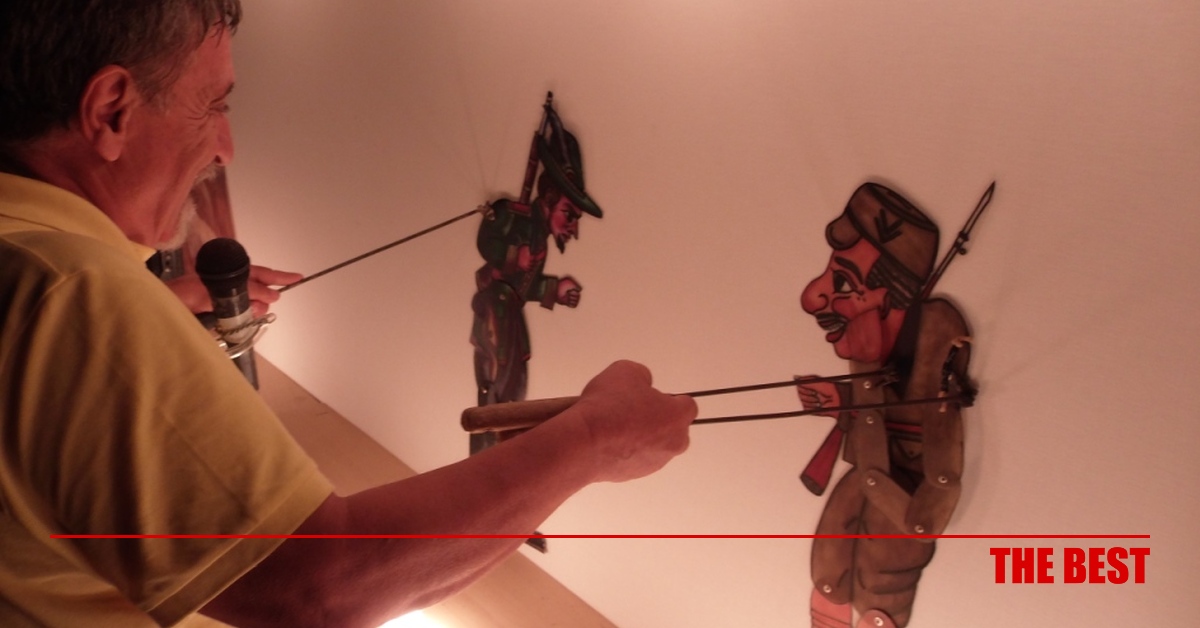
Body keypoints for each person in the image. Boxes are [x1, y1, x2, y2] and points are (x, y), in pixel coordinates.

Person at [0, 2, 696, 627]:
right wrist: (593, 442)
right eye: (212, 107)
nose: (225, 148)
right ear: (111, 111)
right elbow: (322, 590)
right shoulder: (74, 295)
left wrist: (157, 305)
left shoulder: (32, 263)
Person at [796, 183, 972, 628]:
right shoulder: (875, 350)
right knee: (829, 575)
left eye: (842, 283)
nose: (812, 298)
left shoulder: (938, 339)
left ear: (892, 299)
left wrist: (854, 396)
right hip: (868, 477)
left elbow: (929, 436)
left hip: (902, 499)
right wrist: (845, 401)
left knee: (881, 585)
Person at [469, 118, 602, 455]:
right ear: (550, 198)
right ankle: (485, 455)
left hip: (511, 317)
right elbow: (486, 241)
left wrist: (554, 290)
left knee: (514, 392)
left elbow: (524, 287)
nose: (572, 227)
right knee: (495, 390)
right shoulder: (515, 216)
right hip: (495, 312)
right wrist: (514, 255)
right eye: (569, 214)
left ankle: (497, 455)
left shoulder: (539, 235)